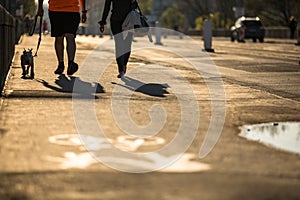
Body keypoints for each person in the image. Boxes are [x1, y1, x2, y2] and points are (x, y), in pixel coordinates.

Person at [37, 0, 87, 75]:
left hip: (59, 9)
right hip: (67, 10)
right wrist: (83, 11)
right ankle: (67, 63)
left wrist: (40, 8)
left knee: (61, 37)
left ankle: (64, 64)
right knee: (68, 37)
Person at [99, 0, 138, 78]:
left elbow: (135, 5)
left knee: (127, 44)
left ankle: (124, 64)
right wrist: (103, 21)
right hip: (115, 21)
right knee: (119, 43)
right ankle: (121, 69)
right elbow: (107, 6)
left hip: (129, 20)